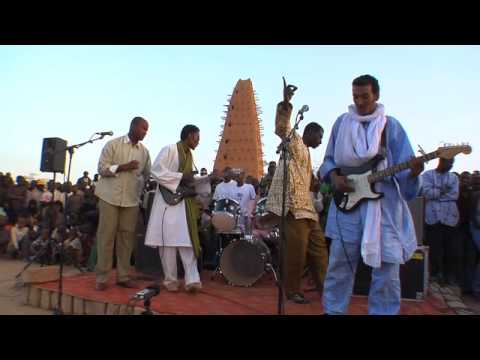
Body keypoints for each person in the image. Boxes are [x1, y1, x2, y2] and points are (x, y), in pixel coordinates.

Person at [319, 74, 424, 315]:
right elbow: (328, 162)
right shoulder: (341, 123)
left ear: (376, 95)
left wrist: (414, 173)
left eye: (365, 96)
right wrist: (334, 177)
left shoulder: (392, 127)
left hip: (384, 210)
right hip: (347, 207)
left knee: (387, 270)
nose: (360, 101)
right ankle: (333, 311)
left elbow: (405, 176)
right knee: (339, 265)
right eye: (355, 97)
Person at [265, 79, 329, 304]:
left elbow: (309, 182)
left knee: (320, 252)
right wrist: (286, 103)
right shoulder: (296, 143)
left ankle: (327, 291)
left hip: (309, 211)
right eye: (320, 137)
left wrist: (319, 184)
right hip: (293, 208)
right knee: (296, 253)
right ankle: (291, 291)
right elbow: (282, 128)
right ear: (310, 133)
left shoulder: (308, 155)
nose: (321, 141)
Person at [145, 124, 208, 293]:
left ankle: (192, 280)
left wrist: (210, 178)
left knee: (186, 242)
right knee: (167, 246)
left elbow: (190, 181)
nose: (198, 142)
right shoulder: (170, 149)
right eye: (197, 138)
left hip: (184, 207)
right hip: (167, 204)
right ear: (188, 136)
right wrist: (181, 176)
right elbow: (156, 171)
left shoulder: (190, 156)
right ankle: (170, 281)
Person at [93, 116, 151, 291]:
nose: (145, 132)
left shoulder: (144, 152)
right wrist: (122, 167)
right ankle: (102, 278)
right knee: (106, 237)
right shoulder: (113, 144)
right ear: (133, 126)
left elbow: (147, 174)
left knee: (127, 239)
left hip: (131, 200)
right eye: (143, 128)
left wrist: (139, 189)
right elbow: (102, 168)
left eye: (147, 130)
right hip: (109, 197)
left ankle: (123, 276)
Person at [421, 158, 460, 286]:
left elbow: (454, 195)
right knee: (434, 248)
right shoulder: (427, 175)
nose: (450, 165)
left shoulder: (453, 177)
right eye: (448, 162)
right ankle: (435, 275)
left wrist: (436, 192)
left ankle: (448, 276)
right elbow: (426, 193)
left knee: (450, 249)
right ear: (441, 161)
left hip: (449, 218)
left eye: (452, 163)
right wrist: (443, 191)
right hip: (433, 217)